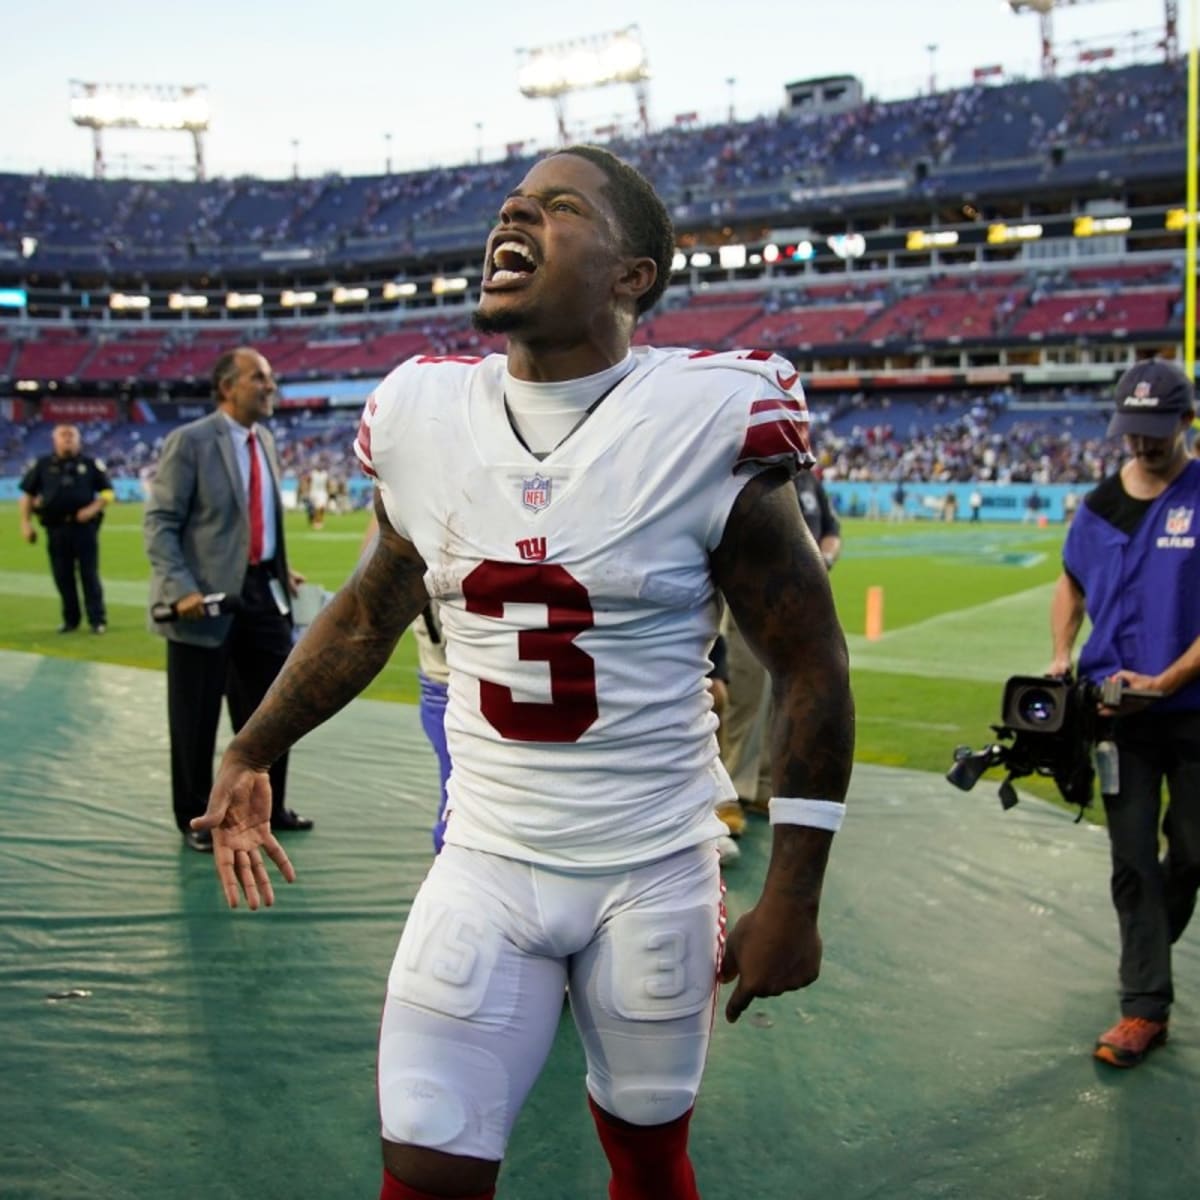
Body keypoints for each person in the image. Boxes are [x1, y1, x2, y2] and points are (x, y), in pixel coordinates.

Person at [191, 146, 854, 1200]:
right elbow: (372, 606)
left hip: (652, 865)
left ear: (634, 273)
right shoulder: (421, 413)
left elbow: (811, 660)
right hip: (487, 858)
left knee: (646, 1151)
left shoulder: (705, 418)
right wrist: (255, 746)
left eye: (555, 210)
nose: (514, 222)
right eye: (509, 208)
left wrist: (795, 895)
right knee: (425, 1152)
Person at [1048, 358, 1200, 1069]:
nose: (1141, 446)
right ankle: (1144, 1007)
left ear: (1187, 423)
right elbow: (1070, 584)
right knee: (1132, 857)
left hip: (1193, 708)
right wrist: (1058, 653)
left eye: (1156, 434)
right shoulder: (1099, 505)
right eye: (1131, 433)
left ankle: (1147, 953)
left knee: (1192, 852)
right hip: (1116, 717)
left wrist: (1168, 680)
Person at [144, 347, 313, 853]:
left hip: (262, 590)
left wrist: (279, 569)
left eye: (271, 377)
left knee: (273, 711)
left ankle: (268, 806)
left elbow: (254, 523)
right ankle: (197, 819)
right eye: (259, 377)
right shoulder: (190, 442)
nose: (270, 385)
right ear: (227, 387)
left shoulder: (264, 440)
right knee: (195, 717)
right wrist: (181, 590)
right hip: (205, 601)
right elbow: (161, 524)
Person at [718, 468, 843, 826]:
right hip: (754, 598)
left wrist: (824, 560)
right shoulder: (758, 474)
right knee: (746, 691)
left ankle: (763, 787)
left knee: (788, 694)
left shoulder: (807, 482)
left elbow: (832, 530)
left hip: (802, 605)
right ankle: (733, 791)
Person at [18, 423, 114, 634]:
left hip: (84, 529)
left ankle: (97, 620)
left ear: (79, 440)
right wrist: (25, 524)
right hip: (56, 528)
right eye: (63, 435)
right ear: (55, 440)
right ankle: (71, 620)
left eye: (72, 435)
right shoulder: (43, 465)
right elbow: (27, 495)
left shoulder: (90, 464)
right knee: (62, 575)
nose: (67, 439)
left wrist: (92, 508)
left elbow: (108, 492)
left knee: (89, 574)